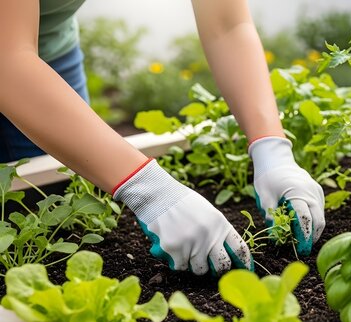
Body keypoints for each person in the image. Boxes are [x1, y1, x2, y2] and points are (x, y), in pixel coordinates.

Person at [0, 0, 325, 275]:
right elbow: (7, 59)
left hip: (48, 51)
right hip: (10, 58)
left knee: (54, 219)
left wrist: (272, 149)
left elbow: (226, 23)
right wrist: (151, 190)